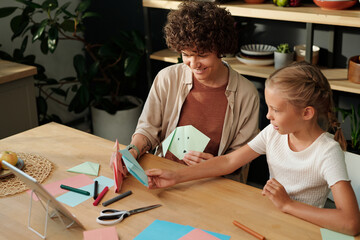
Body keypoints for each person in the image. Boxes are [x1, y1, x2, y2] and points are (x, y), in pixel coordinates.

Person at [145, 62, 360, 236]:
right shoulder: (274, 133)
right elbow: (229, 162)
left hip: (300, 229)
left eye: (275, 110)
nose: (268, 116)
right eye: (268, 107)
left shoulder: (327, 152)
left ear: (307, 113)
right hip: (268, 219)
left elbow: (351, 223)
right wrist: (175, 176)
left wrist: (287, 205)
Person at [111, 1, 259, 183]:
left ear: (221, 49)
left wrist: (215, 165)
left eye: (202, 55)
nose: (193, 64)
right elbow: (148, 129)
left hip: (211, 182)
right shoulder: (167, 78)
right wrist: (132, 151)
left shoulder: (246, 94)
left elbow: (241, 158)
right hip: (162, 174)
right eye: (186, 54)